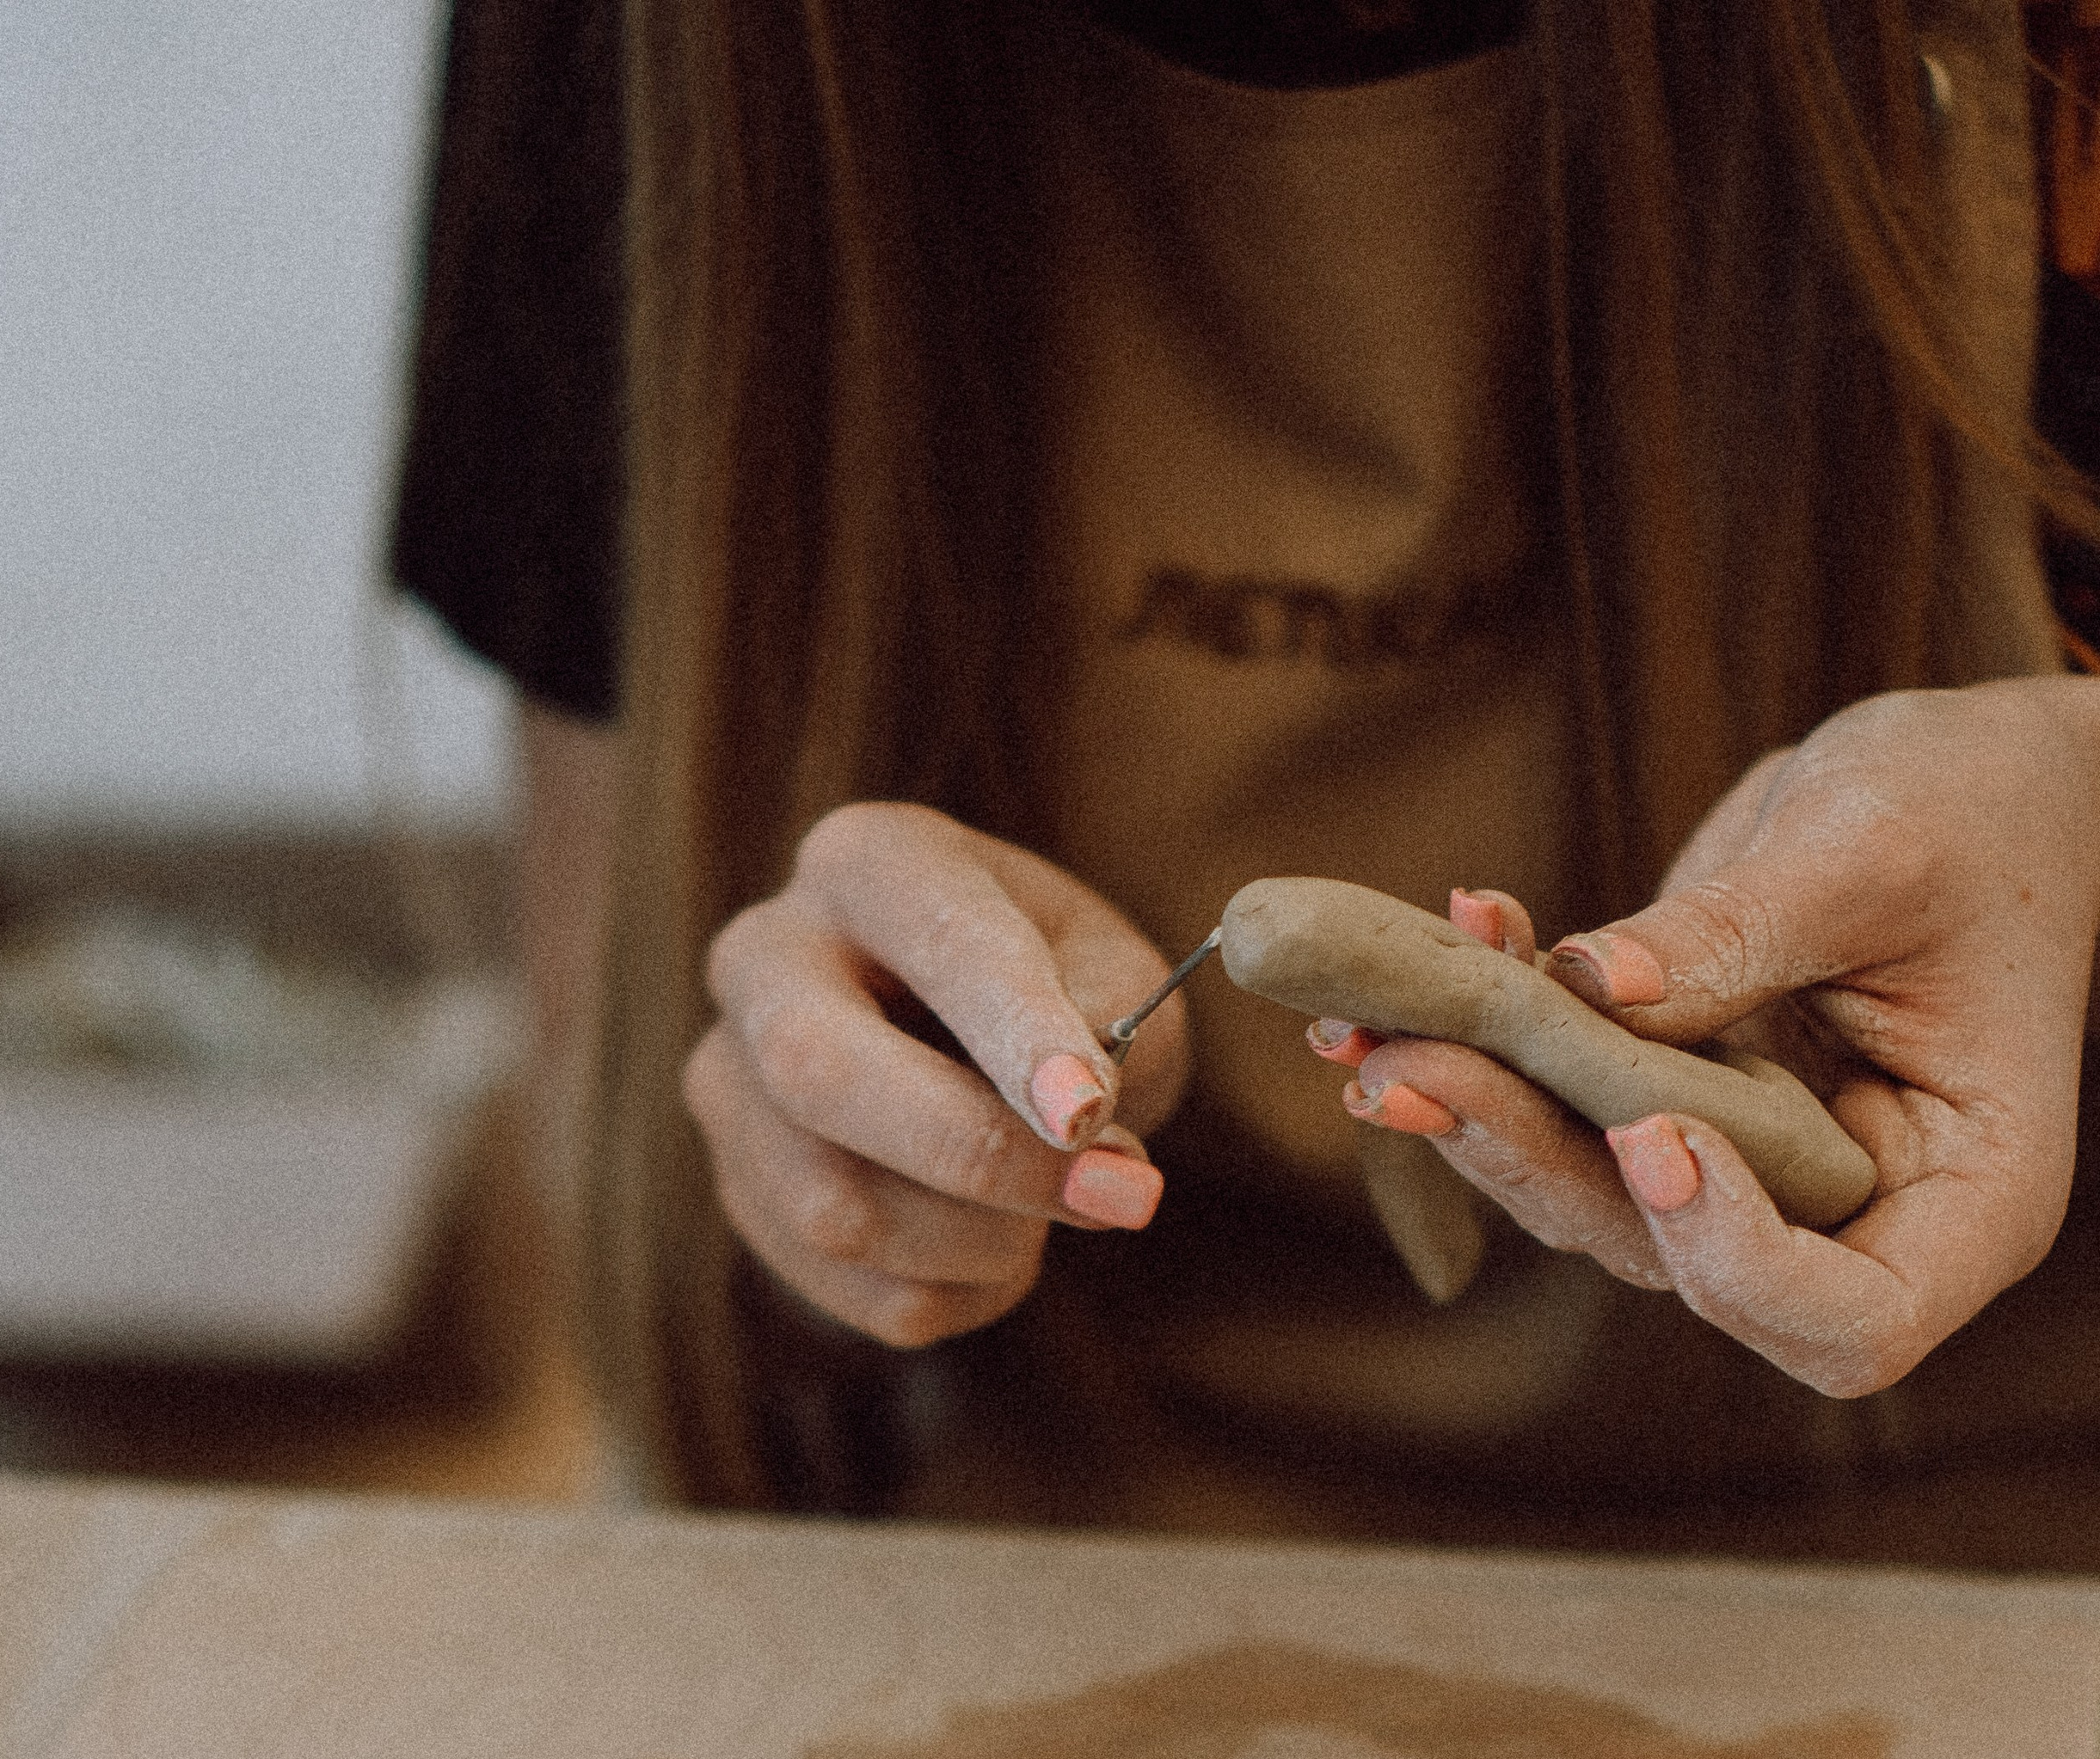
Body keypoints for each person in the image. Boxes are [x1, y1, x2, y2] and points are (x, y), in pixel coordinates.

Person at [396, 0, 2100, 1560]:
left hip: (2006, 1546)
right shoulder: (647, 50)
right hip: (1088, 1554)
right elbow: (618, 1124)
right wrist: (831, 1141)